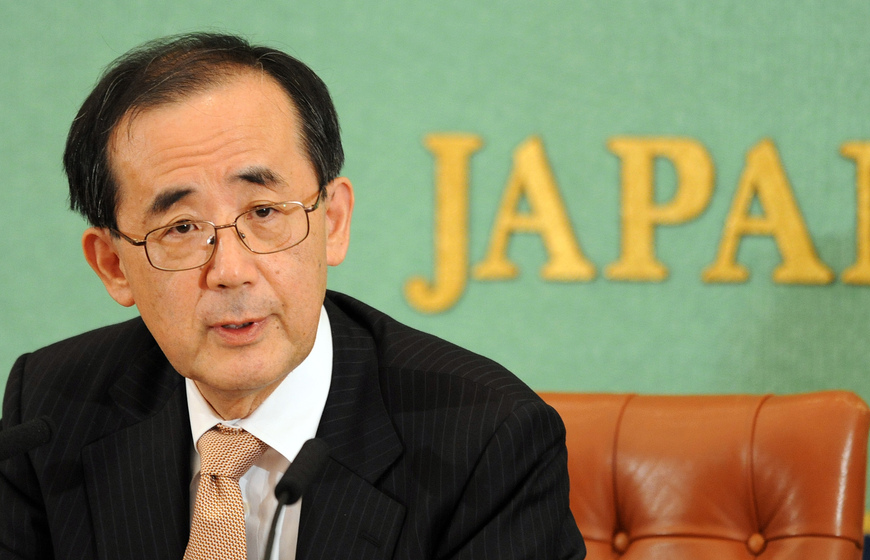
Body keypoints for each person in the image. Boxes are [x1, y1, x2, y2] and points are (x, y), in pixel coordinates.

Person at [0, 32, 584, 560]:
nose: (230, 272)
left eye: (264, 212)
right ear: (113, 265)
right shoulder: (50, 410)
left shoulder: (486, 441)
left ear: (332, 222)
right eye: (180, 228)